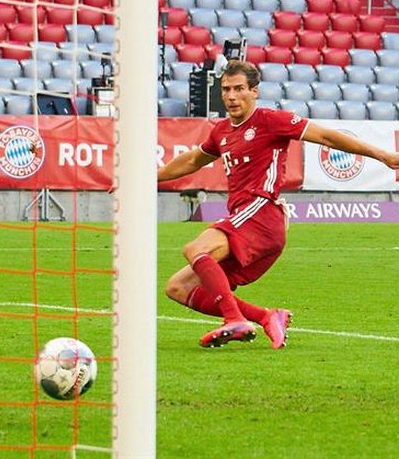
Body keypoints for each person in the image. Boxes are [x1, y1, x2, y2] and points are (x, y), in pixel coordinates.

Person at [158, 60, 399, 349]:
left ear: (254, 91)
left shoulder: (271, 121)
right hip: (244, 218)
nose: (231, 96)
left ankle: (233, 319)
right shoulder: (221, 131)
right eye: (226, 90)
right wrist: (146, 179)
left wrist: (382, 155)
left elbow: (325, 136)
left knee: (195, 248)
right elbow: (192, 160)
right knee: (177, 288)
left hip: (262, 212)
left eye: (239, 89)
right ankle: (267, 316)